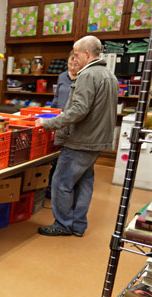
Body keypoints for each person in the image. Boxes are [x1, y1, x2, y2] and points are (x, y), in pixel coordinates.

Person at [36, 36, 118, 237]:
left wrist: (48, 124)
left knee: (61, 182)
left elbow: (78, 110)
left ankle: (63, 225)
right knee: (84, 183)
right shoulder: (109, 76)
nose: (75, 58)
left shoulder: (88, 76)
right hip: (97, 141)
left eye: (77, 54)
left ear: (87, 54)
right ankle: (78, 225)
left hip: (81, 141)